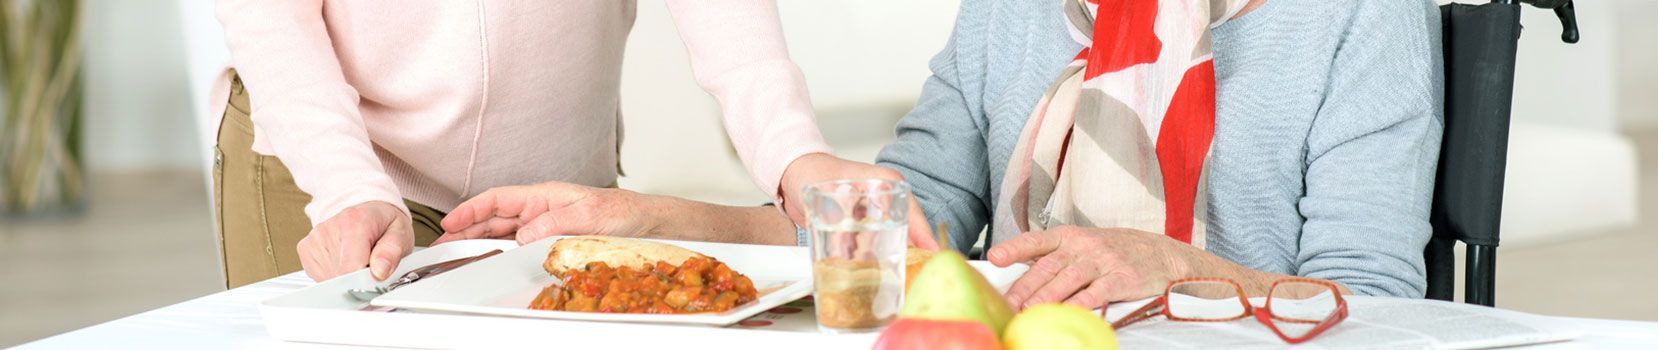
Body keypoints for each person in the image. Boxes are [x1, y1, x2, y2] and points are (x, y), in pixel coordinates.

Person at [446, 0, 1442, 310]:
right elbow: (898, 223)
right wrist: (661, 221)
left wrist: (1179, 266)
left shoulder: (1357, 16)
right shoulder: (1016, 7)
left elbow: (1376, 303)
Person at [210, 0, 931, 288]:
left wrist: (792, 154)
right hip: (336, 170)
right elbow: (272, 20)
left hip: (557, 193)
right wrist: (348, 188)